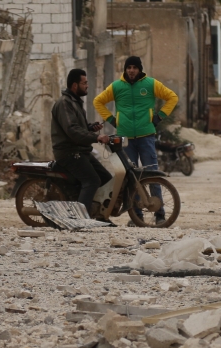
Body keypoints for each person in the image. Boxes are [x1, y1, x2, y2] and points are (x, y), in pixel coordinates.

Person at [93, 56, 179, 225]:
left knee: (152, 174)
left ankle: (159, 213)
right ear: (125, 70)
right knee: (132, 178)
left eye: (134, 67)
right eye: (129, 67)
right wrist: (111, 120)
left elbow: (172, 97)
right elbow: (98, 101)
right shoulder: (116, 87)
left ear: (140, 69)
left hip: (146, 135)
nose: (131, 70)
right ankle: (137, 215)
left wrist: (160, 116)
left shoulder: (150, 84)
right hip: (125, 139)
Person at [51, 68, 112, 215]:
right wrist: (96, 137)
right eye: (84, 83)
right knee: (92, 181)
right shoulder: (64, 103)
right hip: (69, 152)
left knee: (106, 179)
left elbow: (79, 127)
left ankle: (99, 215)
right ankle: (80, 218)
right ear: (74, 85)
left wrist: (90, 128)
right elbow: (72, 130)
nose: (87, 86)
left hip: (81, 151)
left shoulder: (75, 102)